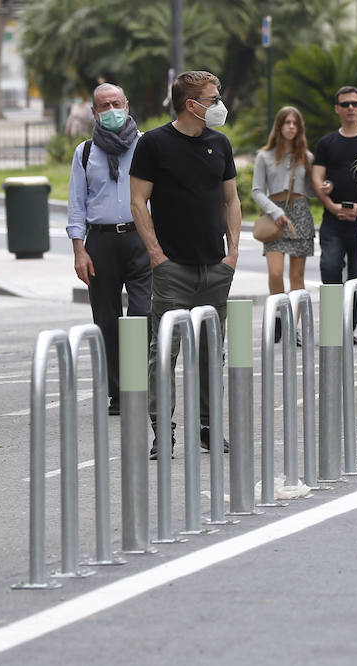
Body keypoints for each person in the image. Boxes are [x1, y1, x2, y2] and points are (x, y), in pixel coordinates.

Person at [129, 70, 240, 458]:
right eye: (213, 99)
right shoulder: (154, 144)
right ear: (192, 104)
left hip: (215, 266)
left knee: (213, 353)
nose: (219, 105)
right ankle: (164, 432)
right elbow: (138, 201)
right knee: (164, 353)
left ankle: (208, 428)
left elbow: (231, 200)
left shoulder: (220, 144)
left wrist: (233, 253)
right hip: (172, 268)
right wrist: (157, 256)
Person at [66, 83, 150, 416]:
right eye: (104, 105)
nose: (112, 110)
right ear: (94, 112)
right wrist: (78, 249)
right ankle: (117, 392)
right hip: (100, 242)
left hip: (140, 238)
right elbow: (76, 204)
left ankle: (138, 383)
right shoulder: (85, 153)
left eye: (117, 103)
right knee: (107, 320)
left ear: (127, 106)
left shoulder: (147, 146)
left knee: (143, 314)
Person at [251, 106, 315, 343]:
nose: (290, 126)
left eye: (294, 123)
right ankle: (279, 313)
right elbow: (257, 190)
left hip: (300, 215)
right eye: (286, 122)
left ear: (299, 128)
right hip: (274, 215)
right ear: (278, 126)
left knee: (297, 277)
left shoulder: (306, 157)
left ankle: (291, 328)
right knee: (275, 272)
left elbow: (310, 190)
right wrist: (276, 211)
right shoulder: (264, 156)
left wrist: (324, 187)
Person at [312, 86, 357, 285]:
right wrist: (332, 206)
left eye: (354, 103)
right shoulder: (326, 143)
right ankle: (333, 315)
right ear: (337, 109)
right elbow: (316, 177)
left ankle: (356, 318)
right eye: (344, 104)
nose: (350, 107)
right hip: (333, 220)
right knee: (329, 266)